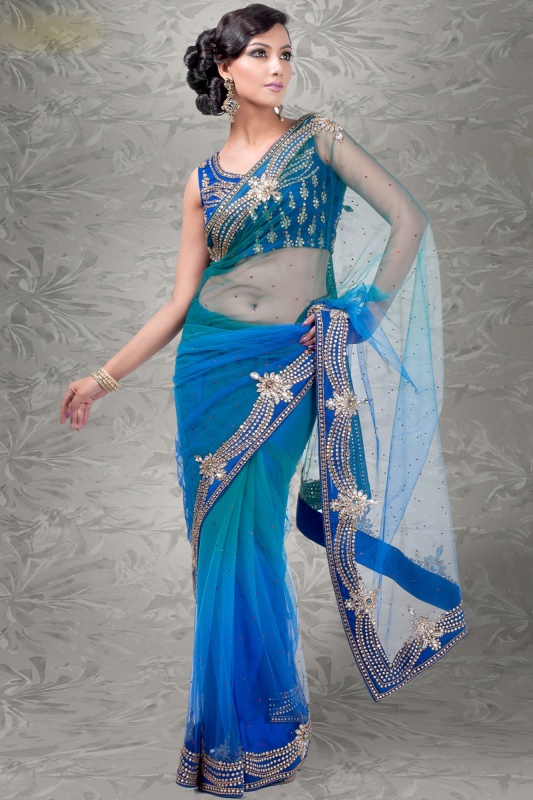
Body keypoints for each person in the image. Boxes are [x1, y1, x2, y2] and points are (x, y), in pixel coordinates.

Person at [59, 3, 468, 795]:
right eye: (259, 55)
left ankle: (255, 731)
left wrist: (360, 312)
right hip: (207, 365)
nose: (277, 68)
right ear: (225, 69)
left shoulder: (320, 139)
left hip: (288, 363)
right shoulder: (201, 182)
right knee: (220, 545)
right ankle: (227, 735)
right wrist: (102, 378)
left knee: (251, 535)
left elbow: (408, 222)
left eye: (285, 54)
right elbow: (179, 303)